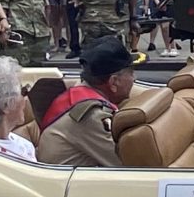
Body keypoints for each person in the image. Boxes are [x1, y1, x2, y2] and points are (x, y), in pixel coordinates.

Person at [37, 34, 137, 166]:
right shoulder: (91, 116)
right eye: (131, 73)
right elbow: (128, 163)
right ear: (113, 81)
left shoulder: (82, 95)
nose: (134, 78)